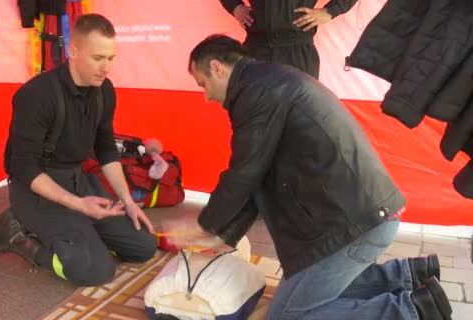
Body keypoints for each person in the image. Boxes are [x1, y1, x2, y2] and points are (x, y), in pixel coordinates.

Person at [180, 34, 452, 320]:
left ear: (217, 68)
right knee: (312, 290)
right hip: (356, 217)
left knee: (288, 316)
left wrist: (205, 226)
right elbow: (256, 176)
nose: (206, 96)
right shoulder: (267, 81)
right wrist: (226, 235)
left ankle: (412, 312)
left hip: (353, 225)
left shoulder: (257, 92)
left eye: (203, 84)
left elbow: (243, 174)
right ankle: (411, 278)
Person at [0, 13, 157, 286]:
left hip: (78, 181)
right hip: (35, 189)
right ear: (73, 51)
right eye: (98, 58)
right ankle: (15, 235)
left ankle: (82, 232)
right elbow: (23, 167)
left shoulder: (104, 90)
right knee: (94, 271)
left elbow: (106, 148)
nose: (106, 67)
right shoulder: (37, 94)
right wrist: (78, 205)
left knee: (143, 247)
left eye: (111, 58)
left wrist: (128, 201)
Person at [219, 0, 358, 79]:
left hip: (298, 50)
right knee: (254, 116)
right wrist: (235, 7)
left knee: (300, 119)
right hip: (257, 48)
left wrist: (330, 11)